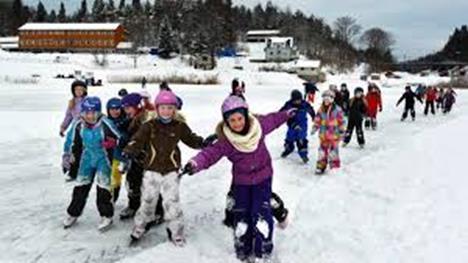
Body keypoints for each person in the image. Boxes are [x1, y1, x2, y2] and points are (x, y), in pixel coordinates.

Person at [183, 95, 294, 262]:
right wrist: (195, 163)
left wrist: (286, 115)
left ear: (246, 116)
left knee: (261, 215)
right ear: (226, 122)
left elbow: (273, 119)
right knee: (241, 216)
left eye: (239, 118)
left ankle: (262, 251)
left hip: (263, 177)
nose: (236, 123)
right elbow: (210, 154)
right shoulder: (226, 140)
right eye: (232, 120)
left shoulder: (259, 126)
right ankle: (243, 250)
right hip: (241, 182)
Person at [124, 90, 209, 246]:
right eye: (163, 107)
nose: (166, 111)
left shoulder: (179, 126)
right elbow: (137, 141)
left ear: (175, 109)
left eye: (170, 108)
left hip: (171, 170)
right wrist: (129, 151)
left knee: (172, 202)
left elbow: (191, 139)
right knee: (148, 200)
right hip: (151, 170)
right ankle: (140, 227)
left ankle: (176, 231)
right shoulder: (149, 126)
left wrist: (203, 143)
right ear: (157, 108)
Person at [62, 97, 121, 231]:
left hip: (103, 159)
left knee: (103, 188)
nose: (89, 116)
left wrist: (113, 143)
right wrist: (66, 155)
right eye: (86, 113)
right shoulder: (78, 124)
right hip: (86, 158)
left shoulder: (105, 123)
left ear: (98, 112)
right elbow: (70, 140)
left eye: (93, 113)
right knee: (80, 187)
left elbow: (120, 138)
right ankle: (73, 213)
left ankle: (106, 215)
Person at [312, 90, 346, 175]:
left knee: (333, 151)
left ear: (332, 99)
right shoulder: (321, 109)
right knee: (322, 151)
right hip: (323, 135)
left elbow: (341, 121)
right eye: (325, 99)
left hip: (334, 135)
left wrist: (342, 131)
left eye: (329, 99)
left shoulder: (337, 109)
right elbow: (317, 119)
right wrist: (315, 127)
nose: (326, 101)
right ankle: (321, 165)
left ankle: (334, 166)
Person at [60, 80, 88, 181]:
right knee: (69, 147)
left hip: (86, 127)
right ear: (73, 90)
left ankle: (83, 170)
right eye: (76, 89)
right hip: (75, 128)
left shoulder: (88, 101)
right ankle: (69, 167)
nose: (79, 91)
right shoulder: (72, 102)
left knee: (84, 149)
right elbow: (68, 116)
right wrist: (63, 127)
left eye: (81, 89)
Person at [280, 89, 315, 163]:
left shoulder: (304, 104)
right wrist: (279, 117)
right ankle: (289, 148)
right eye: (296, 100)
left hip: (302, 126)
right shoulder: (289, 105)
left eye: (299, 100)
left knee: (301, 139)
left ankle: (303, 154)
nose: (298, 102)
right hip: (292, 125)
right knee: (290, 138)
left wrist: (314, 116)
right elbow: (281, 112)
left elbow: (311, 109)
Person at [106, 98, 130, 202]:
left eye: (117, 109)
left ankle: (134, 202)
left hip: (125, 155)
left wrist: (117, 141)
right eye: (112, 109)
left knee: (131, 181)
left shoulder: (126, 121)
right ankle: (112, 198)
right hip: (113, 156)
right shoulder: (106, 122)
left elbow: (126, 137)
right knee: (114, 179)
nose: (115, 111)